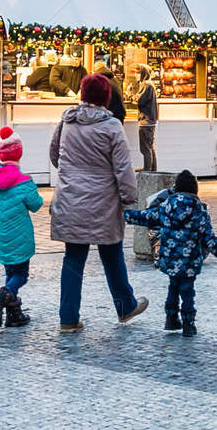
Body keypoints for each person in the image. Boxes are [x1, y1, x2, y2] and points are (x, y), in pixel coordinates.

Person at [49, 73, 147, 331]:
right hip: (104, 201)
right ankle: (125, 305)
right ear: (107, 97)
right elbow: (123, 169)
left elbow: (54, 154)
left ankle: (68, 318)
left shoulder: (67, 120)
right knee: (112, 253)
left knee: (73, 257)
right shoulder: (112, 125)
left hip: (71, 199)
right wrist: (129, 202)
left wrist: (72, 173)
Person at [123, 169, 217, 336]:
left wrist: (125, 215)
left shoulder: (166, 206)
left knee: (173, 287)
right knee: (187, 291)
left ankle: (171, 319)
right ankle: (188, 323)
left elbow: (145, 217)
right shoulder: (199, 210)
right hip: (189, 262)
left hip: (170, 259)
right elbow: (208, 236)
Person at [0, 125, 42, 328]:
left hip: (0, 236)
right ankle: (3, 295)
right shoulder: (24, 181)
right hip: (20, 237)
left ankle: (13, 314)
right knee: (21, 275)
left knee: (10, 272)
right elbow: (36, 205)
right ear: (19, 154)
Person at [135, 68, 159, 172]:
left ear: (142, 73)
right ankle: (152, 170)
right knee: (150, 147)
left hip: (146, 120)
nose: (136, 75)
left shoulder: (146, 85)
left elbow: (140, 100)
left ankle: (148, 171)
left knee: (145, 148)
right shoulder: (150, 84)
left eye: (137, 72)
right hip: (150, 120)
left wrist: (132, 94)